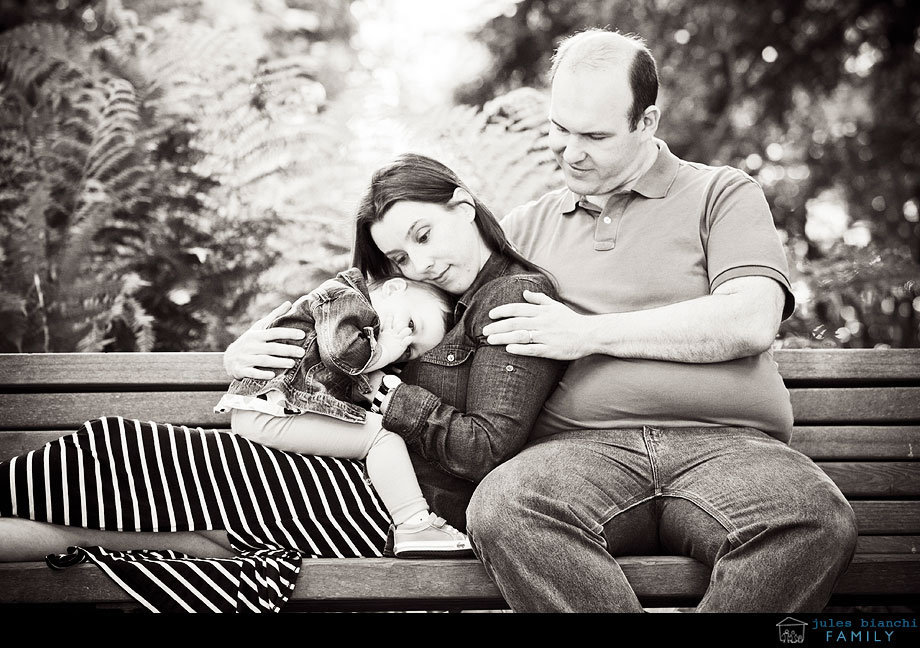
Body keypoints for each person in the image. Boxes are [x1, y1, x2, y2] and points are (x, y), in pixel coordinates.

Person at [460, 28, 858, 612]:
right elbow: (438, 319)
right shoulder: (523, 228)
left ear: (646, 123)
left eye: (595, 136)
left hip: (729, 449)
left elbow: (750, 317)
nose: (570, 151)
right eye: (559, 128)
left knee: (813, 521)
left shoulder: (721, 194)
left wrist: (587, 333)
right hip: (577, 455)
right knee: (503, 509)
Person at [224, 153, 566, 531]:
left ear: (464, 207)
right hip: (331, 468)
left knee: (152, 460)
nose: (420, 265)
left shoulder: (510, 297)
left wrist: (380, 389)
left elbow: (483, 449)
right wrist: (249, 354)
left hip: (389, 508)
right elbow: (333, 318)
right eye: (400, 257)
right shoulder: (420, 295)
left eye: (424, 235)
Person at [215, 267, 472, 557]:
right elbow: (339, 354)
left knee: (372, 432)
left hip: (272, 410)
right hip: (269, 408)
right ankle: (414, 525)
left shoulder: (365, 327)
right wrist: (385, 352)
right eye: (411, 325)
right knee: (381, 436)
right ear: (393, 288)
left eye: (409, 351)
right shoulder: (347, 297)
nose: (402, 342)